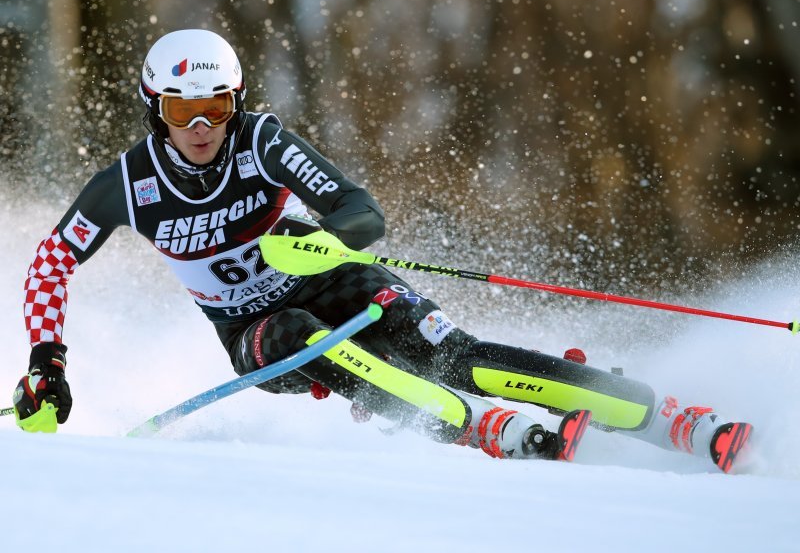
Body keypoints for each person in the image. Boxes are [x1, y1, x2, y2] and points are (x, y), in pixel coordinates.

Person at [13, 29, 751, 470]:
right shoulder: (129, 185)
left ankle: (670, 419)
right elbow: (51, 262)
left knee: (460, 354)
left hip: (334, 283)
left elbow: (362, 212)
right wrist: (47, 362)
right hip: (256, 334)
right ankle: (472, 425)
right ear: (156, 110)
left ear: (235, 102)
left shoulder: (261, 141)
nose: (202, 126)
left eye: (217, 107)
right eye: (182, 111)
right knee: (303, 341)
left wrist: (324, 239)